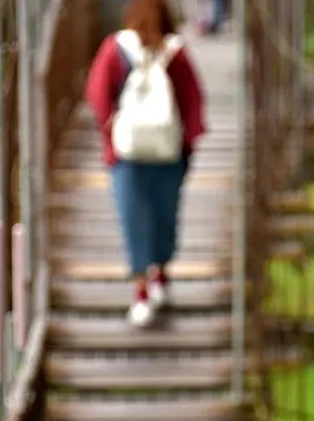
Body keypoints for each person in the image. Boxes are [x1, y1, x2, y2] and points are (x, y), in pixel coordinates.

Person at [84, 0, 206, 327]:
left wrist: (110, 131)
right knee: (163, 212)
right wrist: (188, 142)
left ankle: (144, 288)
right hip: (167, 151)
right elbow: (192, 99)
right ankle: (156, 278)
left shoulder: (116, 49)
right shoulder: (174, 52)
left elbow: (97, 93)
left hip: (128, 153)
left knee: (135, 217)